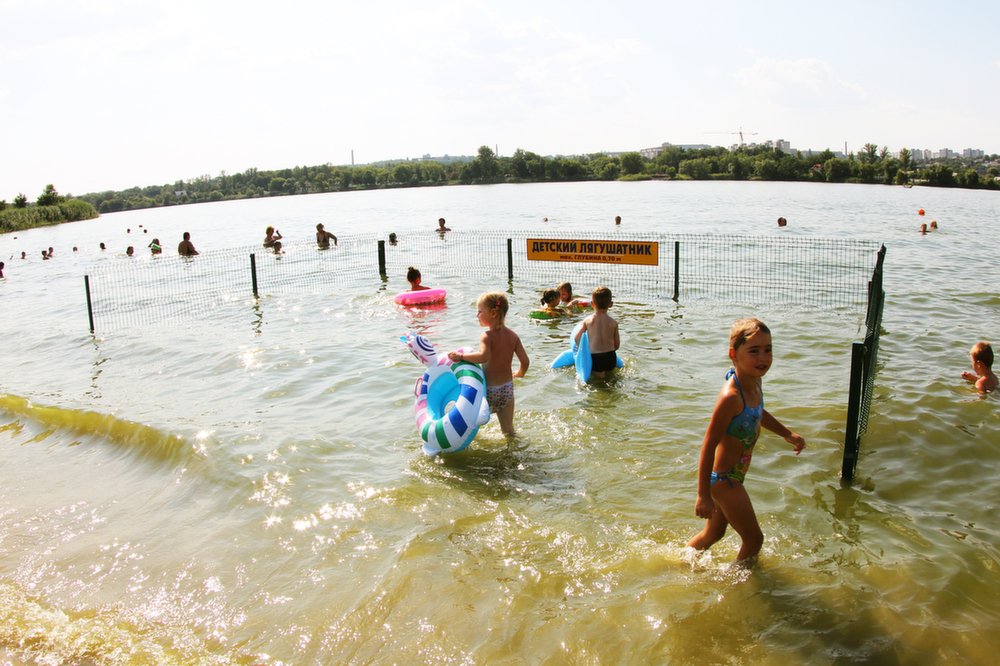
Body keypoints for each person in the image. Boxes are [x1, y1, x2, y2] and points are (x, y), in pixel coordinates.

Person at [687, 318, 806, 564]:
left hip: (733, 477)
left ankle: (682, 562)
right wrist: (703, 496)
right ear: (734, 354)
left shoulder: (754, 383)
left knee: (714, 533)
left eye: (768, 349)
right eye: (754, 351)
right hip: (724, 480)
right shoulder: (731, 397)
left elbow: (759, 413)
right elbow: (708, 445)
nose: (763, 357)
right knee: (754, 540)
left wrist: (786, 433)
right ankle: (737, 586)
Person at [448, 292, 529, 435]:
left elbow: (483, 357)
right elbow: (525, 361)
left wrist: (461, 356)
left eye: (479, 311)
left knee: (472, 427)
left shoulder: (486, 336)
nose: (476, 315)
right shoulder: (513, 336)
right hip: (507, 390)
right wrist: (520, 373)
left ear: (492, 313)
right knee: (508, 430)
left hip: (489, 391)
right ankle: (513, 455)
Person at [573, 286, 620, 379]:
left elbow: (576, 338)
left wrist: (582, 351)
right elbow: (617, 346)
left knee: (600, 384)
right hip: (611, 357)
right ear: (611, 304)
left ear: (592, 304)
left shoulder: (588, 321)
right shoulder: (614, 323)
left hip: (596, 358)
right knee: (610, 380)